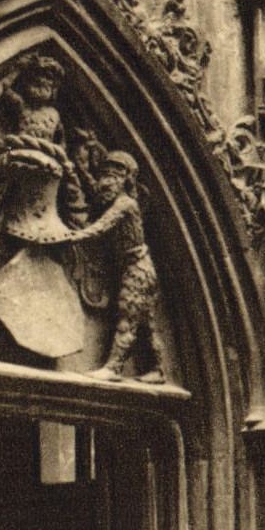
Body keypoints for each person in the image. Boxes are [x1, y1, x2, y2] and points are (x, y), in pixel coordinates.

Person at [65, 151, 166, 382]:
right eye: (105, 175)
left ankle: (114, 368)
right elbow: (96, 192)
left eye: (114, 176)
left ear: (126, 180)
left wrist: (73, 236)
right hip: (141, 268)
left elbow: (102, 226)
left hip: (137, 269)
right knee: (148, 325)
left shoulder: (125, 205)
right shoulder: (115, 199)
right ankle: (159, 370)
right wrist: (80, 169)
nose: (107, 181)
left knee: (126, 318)